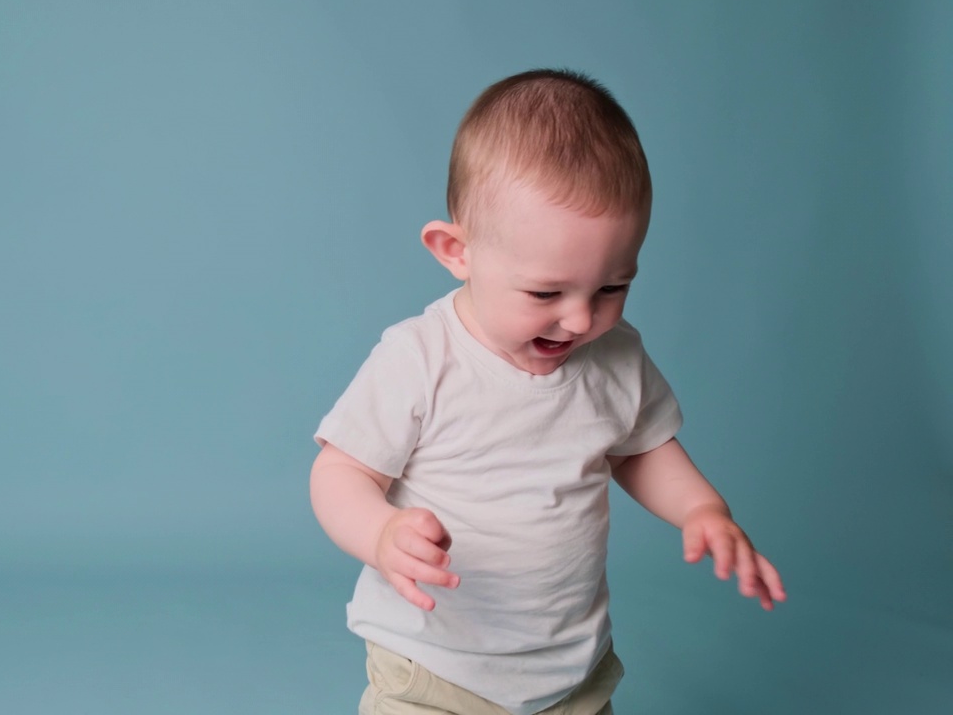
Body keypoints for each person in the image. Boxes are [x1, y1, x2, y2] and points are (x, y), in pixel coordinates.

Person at [308, 69, 786, 715]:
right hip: (433, 670)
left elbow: (640, 449)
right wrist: (381, 532)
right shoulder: (421, 359)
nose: (582, 319)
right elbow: (339, 471)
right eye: (546, 293)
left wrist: (704, 510)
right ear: (457, 251)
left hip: (570, 676)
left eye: (612, 287)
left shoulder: (613, 358)